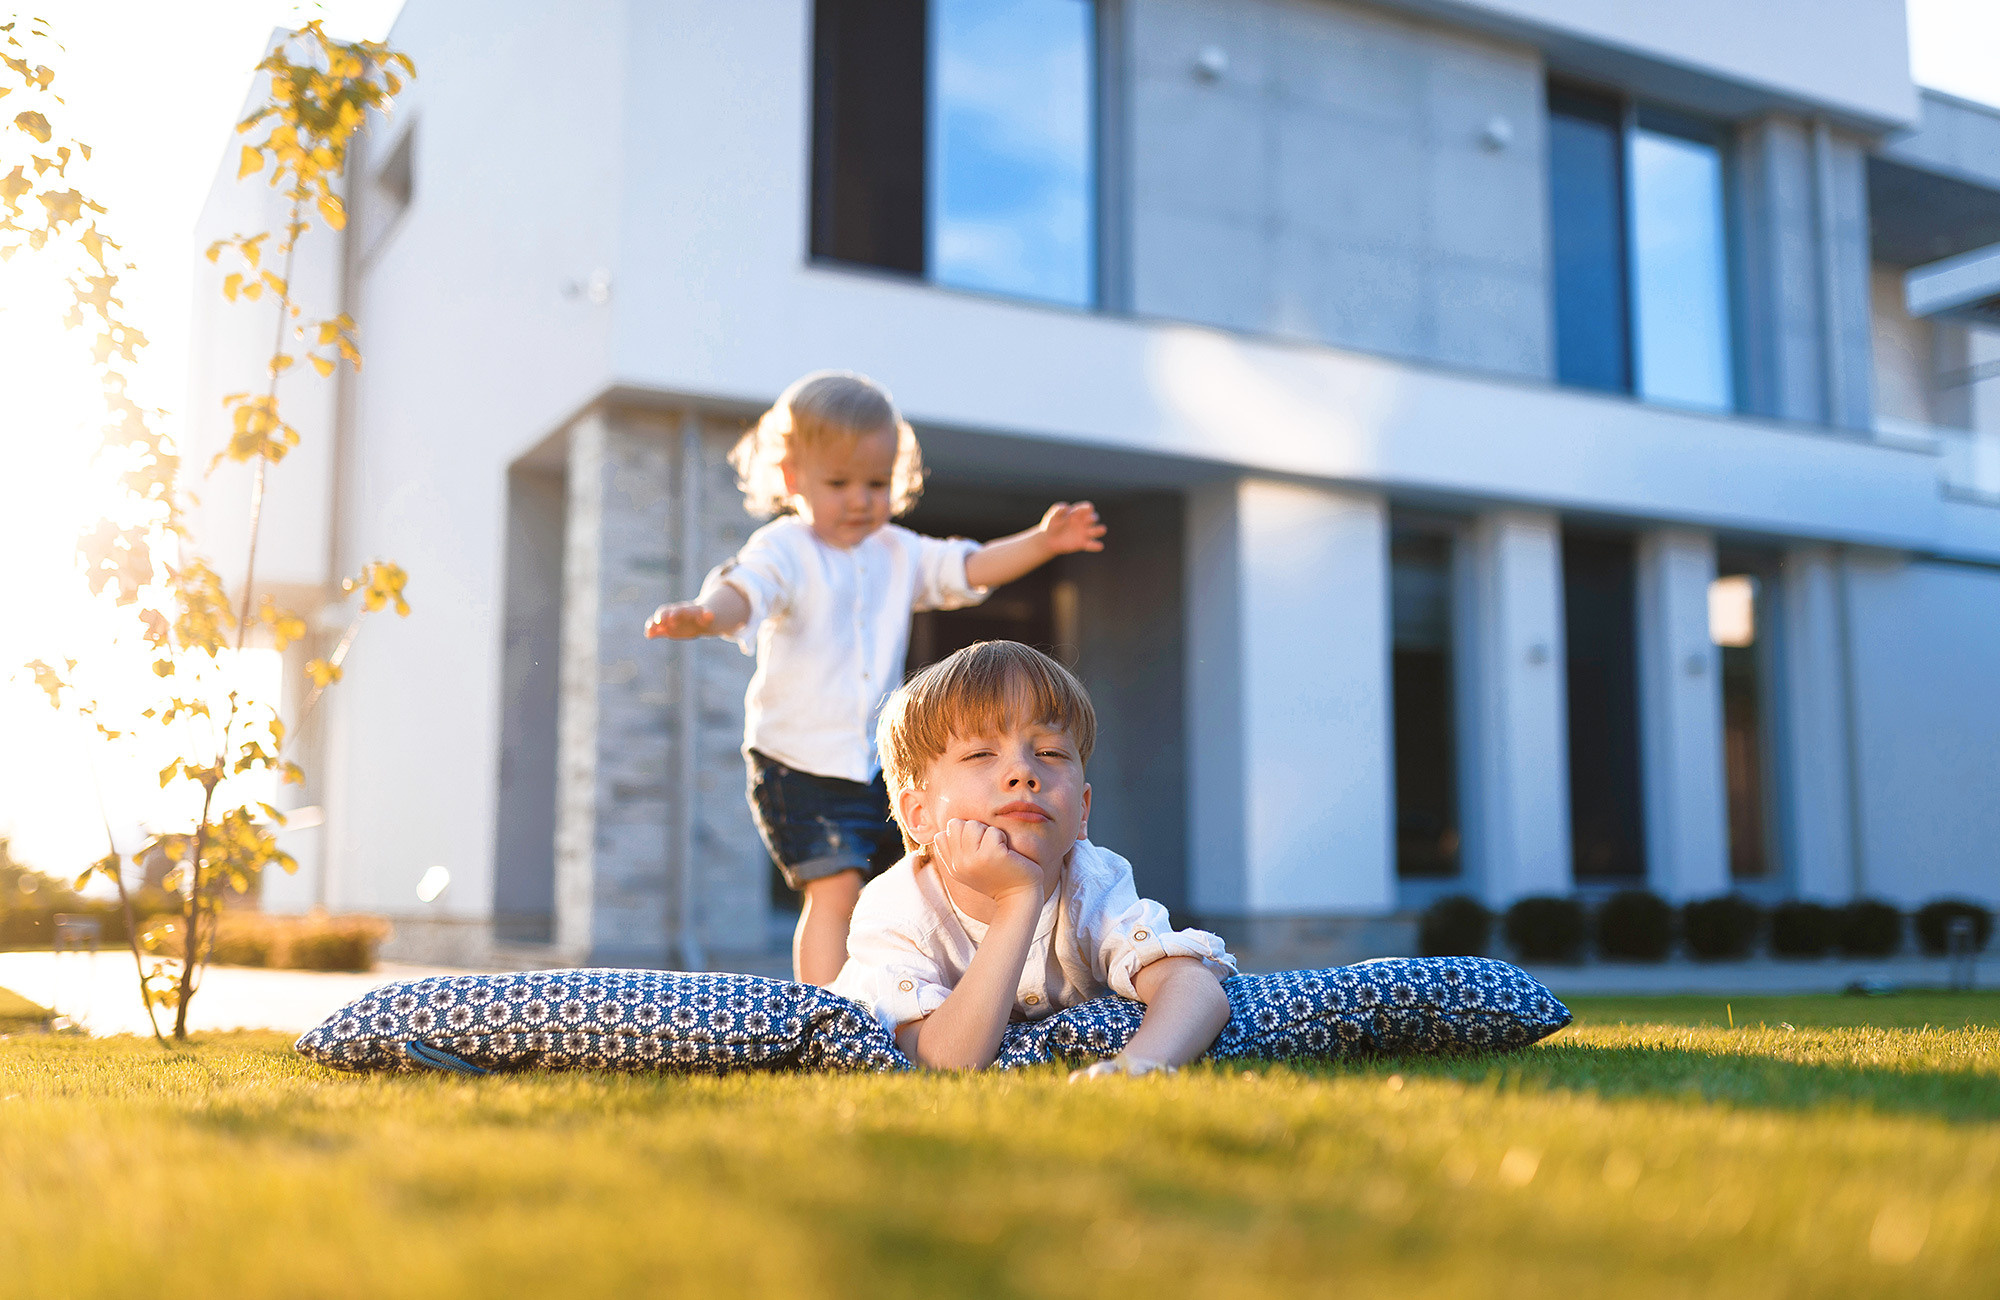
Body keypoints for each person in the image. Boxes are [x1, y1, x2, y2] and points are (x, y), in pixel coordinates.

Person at [644, 372, 1106, 985]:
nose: (860, 499)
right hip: (798, 762)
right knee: (835, 889)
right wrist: (706, 615)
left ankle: (918, 994)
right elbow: (743, 591)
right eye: (838, 484)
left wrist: (1043, 543)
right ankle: (824, 1016)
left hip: (877, 763)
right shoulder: (786, 548)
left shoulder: (899, 550)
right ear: (792, 479)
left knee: (915, 881)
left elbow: (968, 567)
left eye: (877, 483)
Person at [828, 640, 1236, 1076]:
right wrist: (1017, 898)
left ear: (1081, 811)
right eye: (981, 753)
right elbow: (945, 1061)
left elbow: (1192, 985)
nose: (1023, 771)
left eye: (1050, 753)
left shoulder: (1090, 880)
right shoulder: (897, 908)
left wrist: (1139, 1065)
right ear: (919, 815)